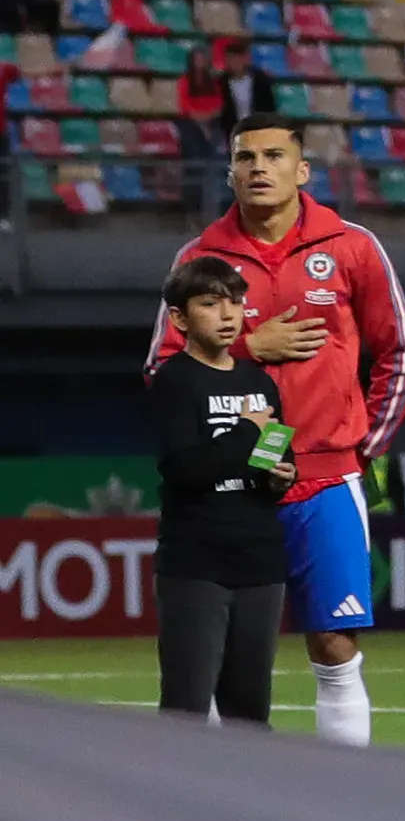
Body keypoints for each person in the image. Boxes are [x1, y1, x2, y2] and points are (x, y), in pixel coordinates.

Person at [142, 112, 405, 746]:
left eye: (273, 156)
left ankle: (343, 798)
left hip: (325, 476)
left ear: (302, 171)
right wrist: (249, 345)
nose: (258, 168)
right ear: (231, 172)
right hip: (226, 491)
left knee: (333, 641)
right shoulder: (199, 257)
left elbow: (402, 352)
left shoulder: (352, 246)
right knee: (216, 657)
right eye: (245, 158)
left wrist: (364, 445)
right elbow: (161, 367)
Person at [149, 256, 293, 726]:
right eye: (210, 304)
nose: (228, 315)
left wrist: (277, 476)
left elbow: (273, 454)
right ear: (179, 318)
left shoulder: (260, 382)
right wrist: (249, 433)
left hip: (260, 560)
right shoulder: (173, 381)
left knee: (250, 715)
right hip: (196, 561)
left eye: (236, 302)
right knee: (185, 710)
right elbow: (184, 469)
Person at [175, 41, 226, 166]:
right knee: (192, 136)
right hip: (191, 122)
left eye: (203, 58)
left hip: (212, 120)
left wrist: (208, 119)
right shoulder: (184, 81)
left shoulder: (214, 82)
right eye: (197, 58)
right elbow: (185, 107)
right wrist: (202, 126)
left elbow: (219, 104)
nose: (200, 61)